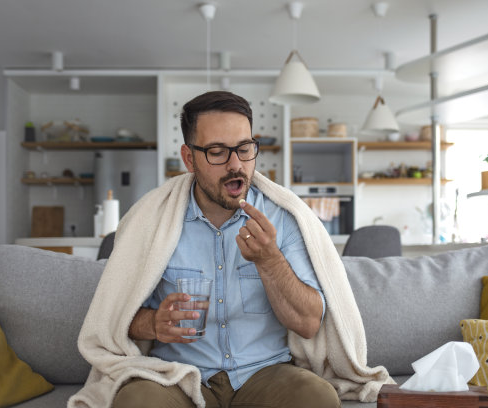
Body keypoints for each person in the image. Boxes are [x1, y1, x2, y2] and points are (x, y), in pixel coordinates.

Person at [68, 91, 391, 408]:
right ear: (189, 158)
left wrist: (270, 260)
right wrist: (153, 323)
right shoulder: (152, 222)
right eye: (218, 151)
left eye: (244, 148)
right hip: (179, 376)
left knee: (318, 398)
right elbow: (114, 317)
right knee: (136, 400)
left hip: (266, 373)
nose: (236, 164)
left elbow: (308, 323)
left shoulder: (285, 219)